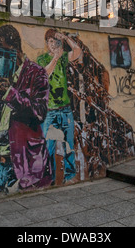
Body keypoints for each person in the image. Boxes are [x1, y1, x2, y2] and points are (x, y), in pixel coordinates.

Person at [0, 25, 52, 201]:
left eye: (0, 48)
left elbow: (39, 113)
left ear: (14, 50)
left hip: (26, 162)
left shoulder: (37, 73)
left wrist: (9, 92)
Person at [37, 29, 82, 184]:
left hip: (65, 109)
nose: (54, 45)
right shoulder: (42, 59)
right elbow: (44, 74)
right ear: (46, 43)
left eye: (56, 42)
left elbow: (77, 51)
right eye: (51, 42)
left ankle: (69, 177)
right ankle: (50, 178)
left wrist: (66, 38)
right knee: (48, 148)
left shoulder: (64, 57)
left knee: (69, 144)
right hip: (49, 111)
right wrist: (55, 58)